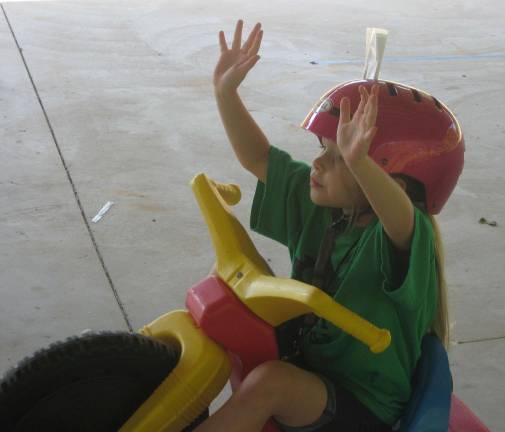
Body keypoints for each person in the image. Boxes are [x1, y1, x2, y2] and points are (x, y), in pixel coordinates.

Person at [195, 19, 464, 432]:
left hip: (364, 402)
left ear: (390, 182)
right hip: (315, 369)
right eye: (324, 150)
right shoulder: (327, 208)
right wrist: (225, 93)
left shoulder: (403, 240)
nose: (319, 163)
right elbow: (259, 159)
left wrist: (359, 162)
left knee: (272, 383)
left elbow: (403, 220)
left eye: (338, 158)